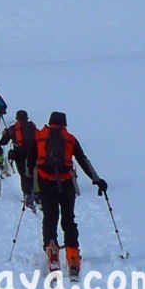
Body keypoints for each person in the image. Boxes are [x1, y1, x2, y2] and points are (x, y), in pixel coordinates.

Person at [32, 111, 106, 280]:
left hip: (45, 183)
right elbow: (82, 160)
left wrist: (31, 187)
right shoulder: (70, 138)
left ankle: (52, 252)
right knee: (68, 218)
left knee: (50, 218)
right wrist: (97, 180)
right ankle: (72, 254)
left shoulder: (40, 137)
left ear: (50, 122)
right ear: (64, 124)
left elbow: (31, 162)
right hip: (67, 184)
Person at [0, 110, 40, 208]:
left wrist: (4, 134)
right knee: (34, 173)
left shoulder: (12, 128)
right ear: (27, 117)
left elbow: (3, 142)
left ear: (16, 118)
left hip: (19, 154)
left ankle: (27, 195)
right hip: (33, 154)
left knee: (23, 174)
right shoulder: (32, 127)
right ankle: (37, 193)